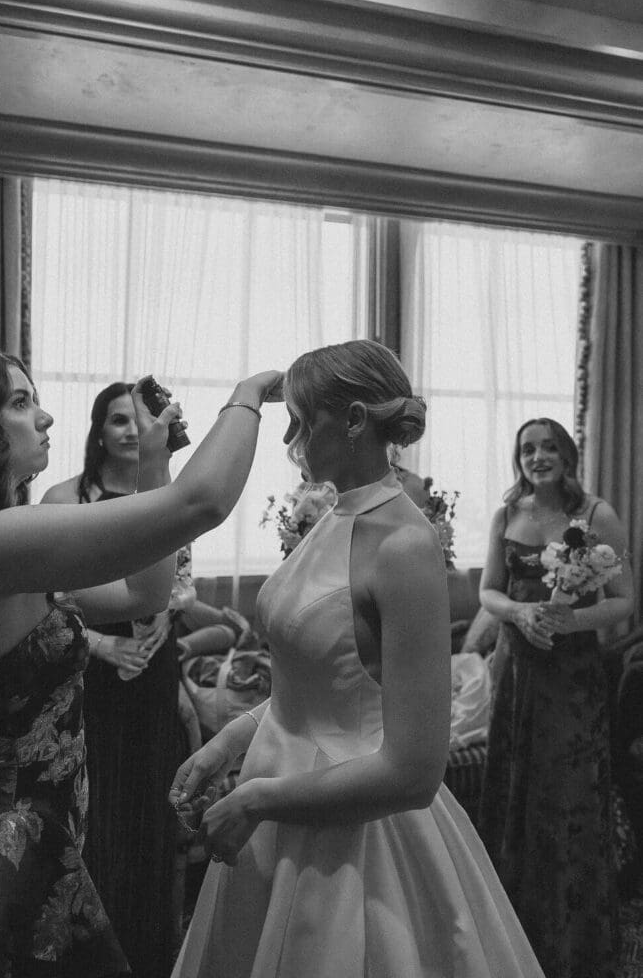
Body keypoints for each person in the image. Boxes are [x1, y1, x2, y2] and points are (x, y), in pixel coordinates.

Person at [170, 338, 545, 978]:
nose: (289, 440)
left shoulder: (404, 545)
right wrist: (230, 740)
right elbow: (323, 681)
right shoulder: (333, 516)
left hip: (353, 822)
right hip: (279, 783)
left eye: (301, 421)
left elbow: (414, 773)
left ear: (352, 421)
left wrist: (258, 800)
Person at [0, 348, 281, 978]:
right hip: (1, 850)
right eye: (20, 403)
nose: (46, 417)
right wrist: (249, 392)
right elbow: (201, 503)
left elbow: (144, 594)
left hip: (42, 838)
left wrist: (154, 463)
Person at [40, 381, 244, 978]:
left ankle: (148, 954)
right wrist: (104, 645)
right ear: (99, 432)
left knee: (151, 813)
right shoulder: (66, 498)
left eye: (139, 420)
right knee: (97, 813)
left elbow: (176, 586)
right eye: (118, 420)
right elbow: (44, 593)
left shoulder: (165, 497)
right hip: (90, 673)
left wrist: (171, 625)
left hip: (154, 671)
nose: (131, 430)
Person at [477, 417, 634, 978]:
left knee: (565, 801)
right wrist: (519, 612)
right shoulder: (506, 515)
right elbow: (488, 591)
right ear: (518, 458)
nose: (537, 456)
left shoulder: (596, 515)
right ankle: (511, 939)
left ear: (566, 455)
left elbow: (625, 601)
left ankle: (572, 947)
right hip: (518, 678)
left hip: (572, 684)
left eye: (548, 447)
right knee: (514, 794)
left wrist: (571, 622)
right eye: (527, 448)